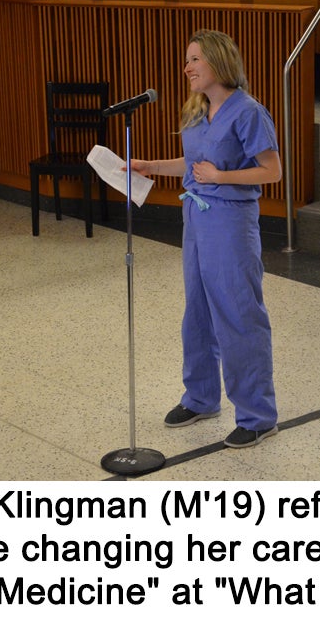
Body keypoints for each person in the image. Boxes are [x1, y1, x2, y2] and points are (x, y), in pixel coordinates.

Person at [131, 29, 281, 448]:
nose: (187, 67)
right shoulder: (198, 110)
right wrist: (150, 165)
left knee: (237, 314)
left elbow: (272, 171)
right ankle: (200, 397)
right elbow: (193, 163)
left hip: (231, 222)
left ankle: (257, 415)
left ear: (218, 61)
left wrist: (222, 176)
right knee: (196, 310)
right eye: (187, 59)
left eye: (195, 58)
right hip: (195, 217)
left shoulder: (248, 112)